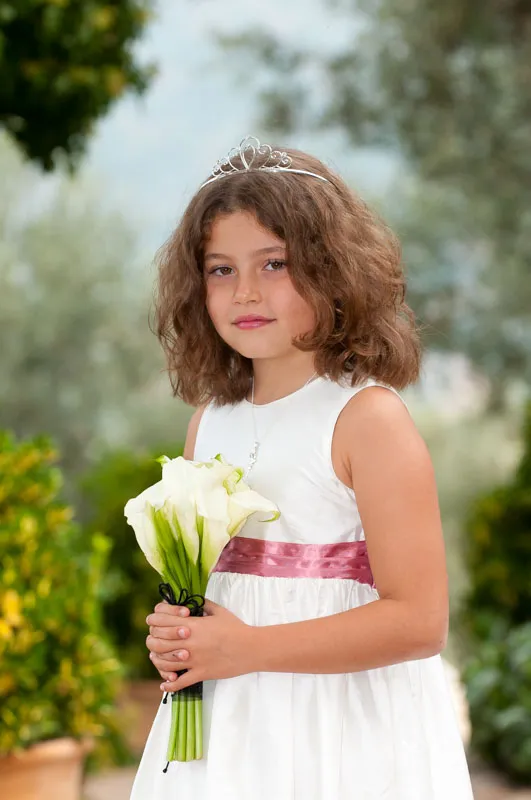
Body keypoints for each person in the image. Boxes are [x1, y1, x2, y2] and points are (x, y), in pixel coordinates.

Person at [130, 136, 474, 799]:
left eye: (274, 264)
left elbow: (419, 621)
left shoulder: (366, 420)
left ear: (331, 268)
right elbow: (229, 595)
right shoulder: (209, 422)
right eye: (220, 269)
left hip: (346, 735)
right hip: (231, 732)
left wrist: (244, 649)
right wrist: (182, 628)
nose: (245, 292)